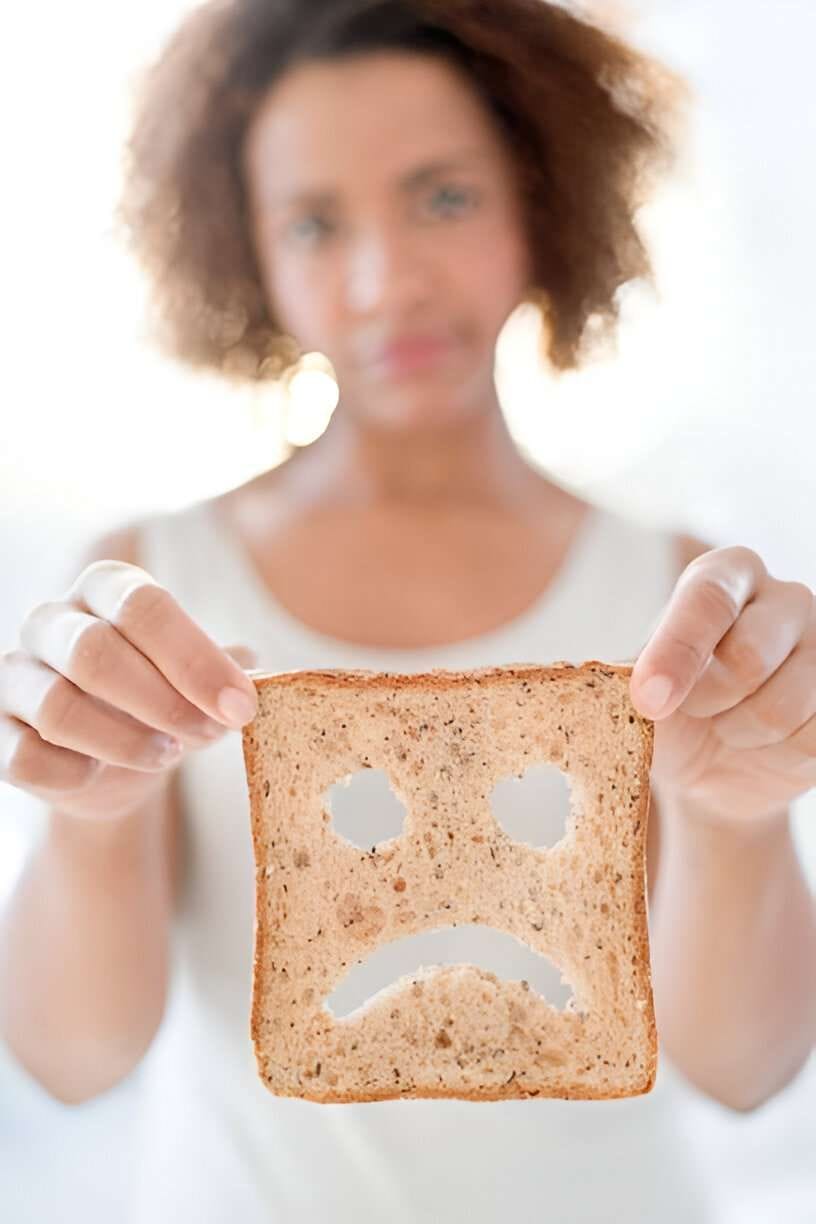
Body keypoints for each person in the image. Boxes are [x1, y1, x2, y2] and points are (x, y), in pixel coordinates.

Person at [1, 1, 814, 1220]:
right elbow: (72, 1062)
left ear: (539, 195)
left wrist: (740, 821)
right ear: (248, 252)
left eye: (443, 197)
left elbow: (745, 1072)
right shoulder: (152, 591)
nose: (388, 281)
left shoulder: (680, 601)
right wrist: (93, 815)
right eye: (315, 224)